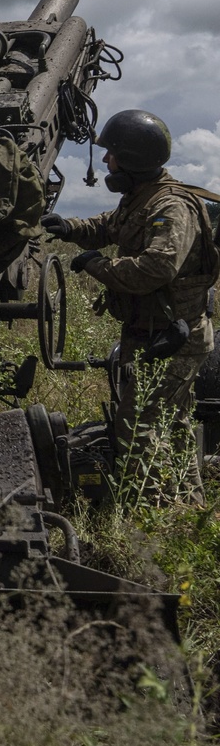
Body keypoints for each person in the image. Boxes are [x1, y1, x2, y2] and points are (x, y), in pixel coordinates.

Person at [43, 109, 219, 502]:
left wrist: (98, 266)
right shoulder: (141, 198)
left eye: (112, 154)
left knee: (136, 424)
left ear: (134, 159)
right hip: (154, 332)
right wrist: (70, 228)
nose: (106, 161)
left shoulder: (171, 207)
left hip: (174, 337)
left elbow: (155, 268)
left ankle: (147, 510)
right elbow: (108, 226)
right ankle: (188, 503)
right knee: (173, 424)